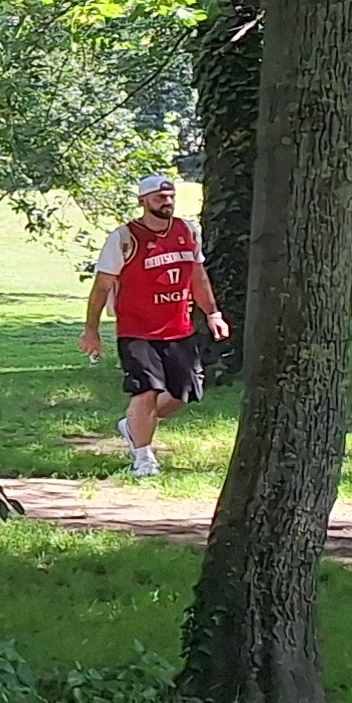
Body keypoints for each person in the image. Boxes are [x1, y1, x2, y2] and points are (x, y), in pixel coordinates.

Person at [80, 169, 232, 479]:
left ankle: (133, 426)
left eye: (170, 196)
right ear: (143, 201)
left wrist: (213, 313)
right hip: (137, 330)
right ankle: (143, 458)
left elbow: (198, 278)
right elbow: (102, 286)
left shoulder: (187, 231)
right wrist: (91, 330)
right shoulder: (124, 238)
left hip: (178, 328)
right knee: (146, 390)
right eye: (159, 197)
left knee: (185, 392)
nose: (167, 201)